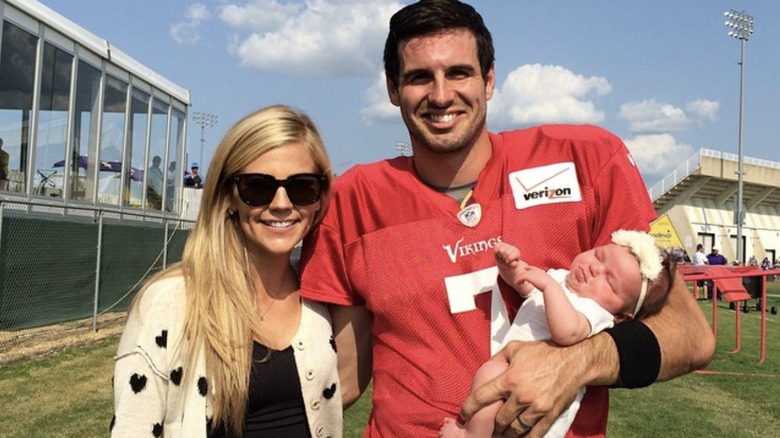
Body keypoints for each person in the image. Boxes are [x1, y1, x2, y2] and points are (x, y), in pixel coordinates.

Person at [300, 1, 714, 437]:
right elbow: (342, 376)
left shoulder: (584, 159)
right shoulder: (351, 200)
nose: (441, 95)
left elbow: (689, 334)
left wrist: (574, 361)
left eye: (459, 73)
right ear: (391, 88)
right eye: (420, 77)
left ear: (490, 79)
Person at [111, 105, 342, 437]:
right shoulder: (171, 302)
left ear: (320, 197)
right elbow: (132, 428)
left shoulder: (321, 300)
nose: (280, 203)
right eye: (258, 187)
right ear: (229, 196)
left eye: (302, 186)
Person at [440, 230, 675, 438]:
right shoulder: (560, 278)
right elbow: (522, 283)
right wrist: (509, 264)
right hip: (515, 379)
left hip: (540, 404)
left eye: (609, 281)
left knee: (491, 374)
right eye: (598, 255)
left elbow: (567, 332)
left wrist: (549, 286)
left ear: (622, 316)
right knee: (491, 379)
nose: (594, 268)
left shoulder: (596, 312)